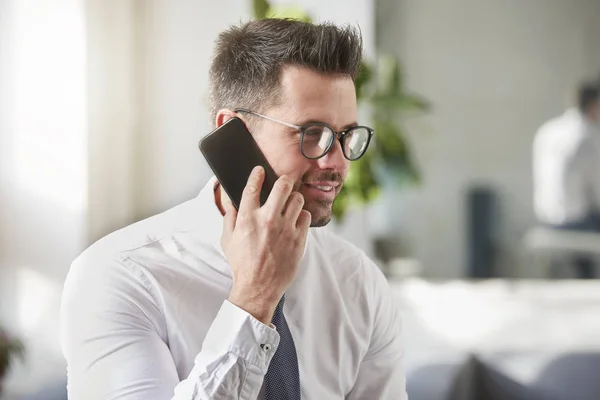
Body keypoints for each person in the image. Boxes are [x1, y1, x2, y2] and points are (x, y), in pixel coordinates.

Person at [60, 19, 407, 399]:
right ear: (233, 130)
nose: (337, 163)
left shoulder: (358, 283)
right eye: (312, 134)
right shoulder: (119, 276)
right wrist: (255, 298)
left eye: (345, 136)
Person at [533, 78, 600, 278]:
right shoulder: (586, 135)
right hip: (576, 221)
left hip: (546, 216)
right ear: (594, 105)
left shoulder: (548, 130)